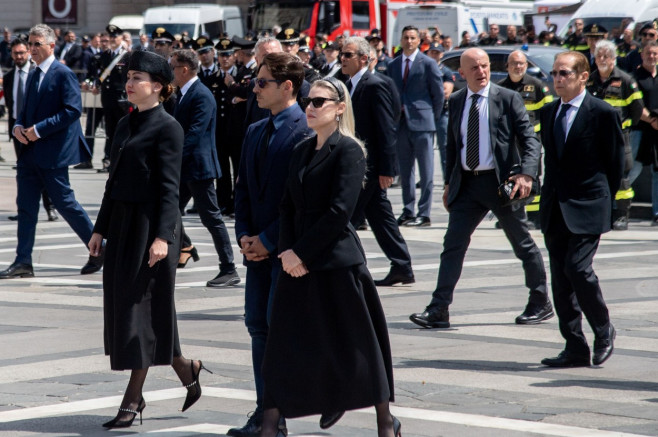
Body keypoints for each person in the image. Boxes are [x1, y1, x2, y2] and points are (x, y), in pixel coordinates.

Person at [259, 76, 399, 437]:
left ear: (339, 109)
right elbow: (287, 206)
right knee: (282, 345)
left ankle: (386, 421)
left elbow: (340, 213)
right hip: (297, 263)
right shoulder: (302, 150)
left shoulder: (349, 150)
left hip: (336, 262)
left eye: (319, 102)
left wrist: (301, 252)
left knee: (359, 345)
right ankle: (270, 425)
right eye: (308, 100)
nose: (310, 106)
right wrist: (288, 253)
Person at [88, 50, 209, 428]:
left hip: (151, 230)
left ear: (158, 86)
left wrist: (163, 238)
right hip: (123, 227)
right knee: (135, 309)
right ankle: (186, 368)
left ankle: (132, 401)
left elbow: (170, 190)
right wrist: (99, 228)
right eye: (128, 76)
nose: (129, 82)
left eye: (137, 77)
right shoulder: (126, 124)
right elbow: (112, 185)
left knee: (140, 312)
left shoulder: (168, 127)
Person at [408, 48, 551, 329]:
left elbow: (530, 140)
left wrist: (526, 174)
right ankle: (439, 309)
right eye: (474, 68)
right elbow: (453, 145)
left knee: (522, 242)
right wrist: (450, 182)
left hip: (500, 184)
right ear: (462, 73)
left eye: (485, 66)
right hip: (468, 184)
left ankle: (540, 300)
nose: (482, 72)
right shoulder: (459, 99)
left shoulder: (507, 98)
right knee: (453, 246)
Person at [228, 52, 313, 437]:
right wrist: (245, 237)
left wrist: (267, 240)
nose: (255, 87)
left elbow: (302, 203)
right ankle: (265, 412)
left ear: (287, 87)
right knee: (257, 329)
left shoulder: (306, 131)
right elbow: (243, 189)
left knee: (280, 335)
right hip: (256, 252)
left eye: (263, 82)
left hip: (285, 251)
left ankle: (276, 418)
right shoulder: (254, 130)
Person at [539, 51, 623, 367]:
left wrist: (605, 202)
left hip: (589, 204)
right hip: (556, 207)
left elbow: (616, 164)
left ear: (583, 76)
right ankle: (574, 347)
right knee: (561, 279)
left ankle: (604, 330)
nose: (558, 79)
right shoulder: (548, 112)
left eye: (564, 73)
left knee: (578, 268)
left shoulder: (602, 113)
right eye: (555, 73)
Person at [0, 24, 103, 280]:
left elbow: (72, 110)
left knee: (65, 203)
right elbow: (26, 110)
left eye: (37, 44)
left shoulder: (63, 73)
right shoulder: (34, 73)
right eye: (31, 44)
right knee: (25, 207)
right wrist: (18, 126)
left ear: (50, 46)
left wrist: (40, 129)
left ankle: (100, 249)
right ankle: (23, 261)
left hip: (52, 152)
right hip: (29, 153)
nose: (32, 49)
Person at [340, 36, 414, 286]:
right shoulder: (346, 84)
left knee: (345, 217)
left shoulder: (375, 84)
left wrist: (386, 169)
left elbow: (386, 130)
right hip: (356, 164)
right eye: (342, 54)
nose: (342, 59)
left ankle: (347, 268)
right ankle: (402, 265)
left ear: (364, 58)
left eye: (348, 55)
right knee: (380, 217)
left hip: (370, 168)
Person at [170, 49, 240, 287]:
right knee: (169, 210)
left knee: (212, 218)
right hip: (185, 165)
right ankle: (185, 247)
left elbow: (194, 134)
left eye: (173, 68)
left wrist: (172, 157)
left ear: (185, 69)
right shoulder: (183, 93)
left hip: (198, 167)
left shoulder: (201, 95)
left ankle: (229, 268)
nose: (171, 72)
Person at [387, 25, 444, 227]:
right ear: (400, 40)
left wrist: (431, 118)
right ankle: (408, 210)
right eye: (406, 38)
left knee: (426, 171)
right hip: (401, 124)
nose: (409, 41)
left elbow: (438, 96)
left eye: (412, 38)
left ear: (419, 41)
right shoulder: (393, 65)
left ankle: (424, 213)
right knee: (405, 171)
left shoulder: (428, 63)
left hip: (423, 123)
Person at [587, 40, 643, 231]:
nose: (601, 59)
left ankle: (622, 216)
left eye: (606, 56)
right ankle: (602, 214)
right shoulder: (589, 80)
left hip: (619, 138)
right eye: (598, 56)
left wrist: (624, 127)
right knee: (596, 176)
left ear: (613, 59)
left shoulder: (626, 80)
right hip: (594, 139)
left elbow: (637, 110)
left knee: (621, 178)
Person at [3, 37, 58, 222]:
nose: (18, 56)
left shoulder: (37, 74)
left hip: (36, 130)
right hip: (18, 130)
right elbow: (11, 103)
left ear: (28, 52)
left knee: (43, 171)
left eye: (21, 52)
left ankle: (50, 208)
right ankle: (23, 210)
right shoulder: (9, 77)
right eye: (15, 53)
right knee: (23, 172)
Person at [498, 50, 554, 228]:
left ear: (526, 65)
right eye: (514, 63)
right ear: (507, 66)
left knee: (533, 175)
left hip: (531, 141)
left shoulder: (538, 86)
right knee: (508, 176)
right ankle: (509, 213)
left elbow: (550, 112)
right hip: (508, 141)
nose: (518, 66)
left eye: (521, 63)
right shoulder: (499, 88)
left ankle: (532, 215)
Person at [630, 41, 658, 226]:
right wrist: (653, 120)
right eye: (648, 53)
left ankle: (657, 213)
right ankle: (617, 207)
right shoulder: (634, 78)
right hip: (640, 130)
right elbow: (635, 106)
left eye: (655, 53)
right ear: (642, 55)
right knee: (633, 169)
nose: (652, 56)